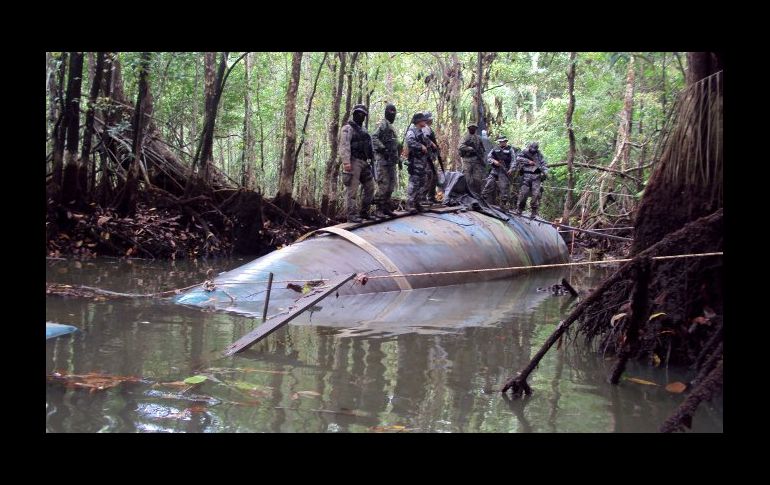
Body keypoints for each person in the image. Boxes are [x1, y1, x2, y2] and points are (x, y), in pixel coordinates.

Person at [339, 104, 375, 223]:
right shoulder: (347, 128)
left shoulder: (364, 130)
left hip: (365, 163)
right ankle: (352, 215)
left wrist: (371, 158)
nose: (361, 116)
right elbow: (344, 145)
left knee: (370, 187)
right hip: (353, 161)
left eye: (363, 114)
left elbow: (369, 146)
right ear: (354, 114)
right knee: (352, 191)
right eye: (358, 113)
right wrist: (346, 162)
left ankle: (364, 212)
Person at [371, 103, 399, 218]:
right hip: (382, 160)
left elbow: (394, 144)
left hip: (391, 161)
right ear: (386, 112)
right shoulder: (383, 124)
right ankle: (378, 209)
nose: (392, 115)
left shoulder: (391, 127)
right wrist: (383, 149)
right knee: (383, 184)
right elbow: (373, 137)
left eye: (394, 112)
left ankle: (386, 207)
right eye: (390, 112)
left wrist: (397, 157)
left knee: (391, 185)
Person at [513, 142, 548, 218]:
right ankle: (519, 209)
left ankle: (534, 212)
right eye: (532, 148)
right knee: (523, 194)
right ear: (529, 147)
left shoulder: (539, 155)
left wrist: (545, 172)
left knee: (535, 195)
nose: (533, 150)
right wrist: (528, 161)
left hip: (536, 177)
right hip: (526, 176)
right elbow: (518, 158)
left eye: (534, 149)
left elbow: (544, 164)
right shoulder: (524, 152)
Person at [405, 112, 431, 214]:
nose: (425, 121)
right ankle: (409, 204)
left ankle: (417, 203)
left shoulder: (421, 132)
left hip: (422, 162)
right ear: (418, 121)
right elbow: (410, 142)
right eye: (423, 120)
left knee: (422, 182)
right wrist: (421, 146)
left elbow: (427, 142)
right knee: (414, 182)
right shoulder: (412, 131)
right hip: (415, 162)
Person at [481, 135, 515, 210]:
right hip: (495, 170)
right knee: (489, 183)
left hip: (504, 171)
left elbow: (513, 161)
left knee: (504, 188)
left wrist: (511, 169)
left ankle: (503, 205)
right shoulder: (495, 149)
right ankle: (482, 200)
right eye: (500, 141)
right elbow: (489, 157)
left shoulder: (510, 149)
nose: (502, 143)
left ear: (506, 141)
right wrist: (494, 161)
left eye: (503, 141)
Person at [457, 122, 486, 195]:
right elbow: (460, 146)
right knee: (467, 179)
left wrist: (481, 158)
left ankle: (477, 195)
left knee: (477, 179)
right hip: (467, 160)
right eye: (471, 127)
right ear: (469, 128)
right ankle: (466, 194)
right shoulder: (465, 137)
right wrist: (469, 148)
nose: (473, 129)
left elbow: (482, 149)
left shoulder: (478, 138)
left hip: (476, 161)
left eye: (474, 128)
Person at [422, 111, 440, 204]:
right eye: (430, 118)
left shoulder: (428, 128)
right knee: (428, 176)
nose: (432, 119)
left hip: (430, 156)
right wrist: (431, 144)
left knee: (434, 176)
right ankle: (423, 197)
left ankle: (431, 196)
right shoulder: (425, 128)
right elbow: (425, 138)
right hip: (426, 157)